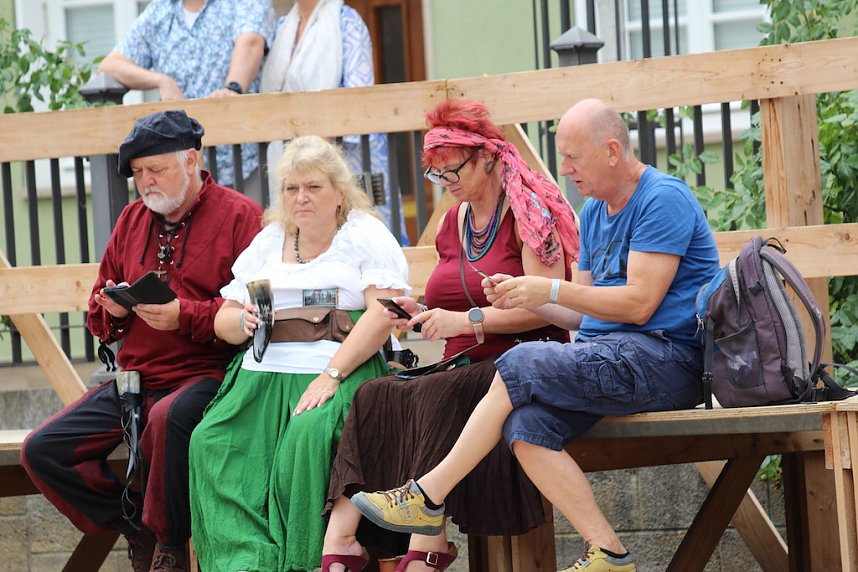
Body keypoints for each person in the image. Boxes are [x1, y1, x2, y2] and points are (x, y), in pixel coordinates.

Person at [350, 99, 721, 572]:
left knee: (520, 361)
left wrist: (547, 288)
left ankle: (428, 495)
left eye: (573, 157)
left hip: (668, 359)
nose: (564, 170)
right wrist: (521, 298)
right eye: (562, 157)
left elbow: (639, 304)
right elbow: (580, 315)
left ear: (611, 151)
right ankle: (609, 552)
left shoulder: (662, 199)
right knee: (526, 426)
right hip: (611, 356)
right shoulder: (593, 211)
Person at [321, 99, 581, 572]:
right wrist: (421, 315)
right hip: (463, 361)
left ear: (487, 157)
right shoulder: (454, 220)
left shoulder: (527, 214)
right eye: (435, 173)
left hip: (522, 360)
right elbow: (455, 299)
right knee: (376, 393)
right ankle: (344, 539)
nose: (444, 181)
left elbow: (546, 306)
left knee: (438, 391)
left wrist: (466, 322)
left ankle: (427, 545)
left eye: (452, 169)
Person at [21, 110, 264, 572]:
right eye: (137, 173)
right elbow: (99, 312)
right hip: (136, 380)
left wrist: (182, 316)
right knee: (43, 450)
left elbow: (252, 312)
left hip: (208, 376)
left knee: (166, 420)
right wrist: (110, 310)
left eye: (156, 169)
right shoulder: (132, 219)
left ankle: (169, 547)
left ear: (190, 160)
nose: (146, 181)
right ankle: (134, 526)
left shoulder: (240, 216)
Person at [187, 135, 410, 571]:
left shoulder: (362, 233)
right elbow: (223, 318)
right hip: (261, 377)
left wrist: (332, 374)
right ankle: (246, 562)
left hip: (339, 370)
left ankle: (304, 561)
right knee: (211, 441)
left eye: (313, 187)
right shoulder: (270, 240)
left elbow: (383, 313)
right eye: (291, 188)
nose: (300, 197)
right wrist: (240, 322)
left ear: (339, 192)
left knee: (307, 437)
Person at [260, 0, 408, 242]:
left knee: (361, 238)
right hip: (291, 157)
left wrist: (314, 146)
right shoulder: (281, 26)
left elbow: (359, 93)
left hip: (346, 155)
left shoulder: (347, 21)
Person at [98, 0, 275, 193]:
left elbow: (251, 43)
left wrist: (232, 88)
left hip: (242, 159)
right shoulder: (161, 9)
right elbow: (109, 66)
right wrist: (161, 81)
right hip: (182, 171)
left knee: (248, 213)